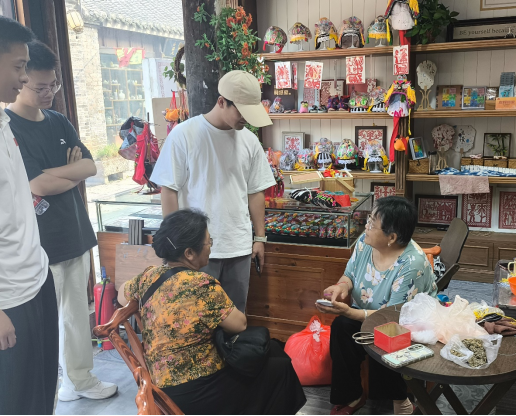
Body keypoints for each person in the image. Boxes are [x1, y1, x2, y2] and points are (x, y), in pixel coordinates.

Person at [5, 40, 118, 402]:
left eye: (53, 85)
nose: (49, 93)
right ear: (21, 80)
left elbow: (90, 166)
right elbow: (38, 185)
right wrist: (65, 173)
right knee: (43, 323)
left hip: (75, 232)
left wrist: (54, 175)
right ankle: (47, 393)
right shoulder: (8, 127)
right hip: (39, 242)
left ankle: (79, 381)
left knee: (76, 316)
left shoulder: (59, 121)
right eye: (40, 87)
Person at [118, 209, 306, 415]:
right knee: (279, 369)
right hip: (196, 393)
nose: (210, 248)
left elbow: (121, 295)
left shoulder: (149, 276)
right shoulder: (200, 284)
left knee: (273, 350)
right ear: (189, 253)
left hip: (161, 388)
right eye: (209, 242)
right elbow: (239, 324)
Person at [0, 12, 58, 414]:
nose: (24, 77)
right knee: (2, 405)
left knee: (39, 398)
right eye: (18, 67)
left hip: (34, 280)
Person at [150, 70, 276, 313]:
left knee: (236, 318)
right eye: (241, 112)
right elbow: (169, 190)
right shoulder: (184, 135)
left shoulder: (249, 141)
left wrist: (260, 238)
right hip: (193, 250)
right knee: (195, 319)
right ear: (221, 102)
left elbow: (255, 191)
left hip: (238, 246)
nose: (246, 119)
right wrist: (174, 245)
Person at [316, 196, 438, 416]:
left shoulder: (412, 264)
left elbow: (394, 316)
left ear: (392, 237)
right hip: (367, 313)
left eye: (372, 223)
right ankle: (351, 396)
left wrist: (350, 312)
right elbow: (349, 274)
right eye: (369, 220)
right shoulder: (365, 242)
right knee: (341, 327)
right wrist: (341, 287)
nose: (366, 226)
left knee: (383, 336)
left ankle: (400, 401)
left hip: (406, 321)